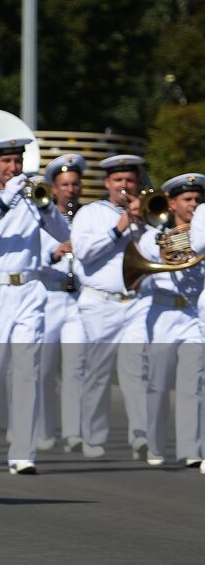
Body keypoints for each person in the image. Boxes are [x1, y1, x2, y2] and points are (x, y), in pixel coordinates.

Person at [0, 135, 70, 474]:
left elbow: (64, 233)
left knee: (27, 373)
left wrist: (47, 206)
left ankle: (23, 454)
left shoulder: (32, 194)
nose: (13, 168)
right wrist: (4, 203)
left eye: (17, 161)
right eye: (6, 162)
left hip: (29, 289)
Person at [70, 154, 153, 461]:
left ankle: (140, 435)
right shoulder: (90, 214)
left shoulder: (144, 216)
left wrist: (143, 225)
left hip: (135, 303)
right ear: (107, 183)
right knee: (98, 373)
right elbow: (83, 252)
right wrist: (118, 228)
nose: (124, 186)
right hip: (99, 303)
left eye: (130, 180)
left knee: (136, 369)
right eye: (118, 180)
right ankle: (93, 435)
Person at [134, 172, 204, 467]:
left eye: (198, 199)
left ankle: (191, 449)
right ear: (172, 203)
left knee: (194, 382)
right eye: (187, 199)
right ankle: (155, 442)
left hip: (191, 312)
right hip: (162, 313)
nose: (194, 204)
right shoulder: (153, 236)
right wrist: (173, 250)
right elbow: (149, 266)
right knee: (158, 383)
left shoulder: (203, 233)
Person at [37, 154, 87, 452]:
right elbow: (32, 257)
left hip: (76, 297)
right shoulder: (41, 219)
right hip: (49, 295)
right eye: (65, 185)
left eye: (75, 184)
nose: (71, 189)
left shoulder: (87, 218)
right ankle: (43, 429)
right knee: (44, 368)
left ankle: (73, 432)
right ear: (54, 189)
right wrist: (55, 252)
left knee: (75, 366)